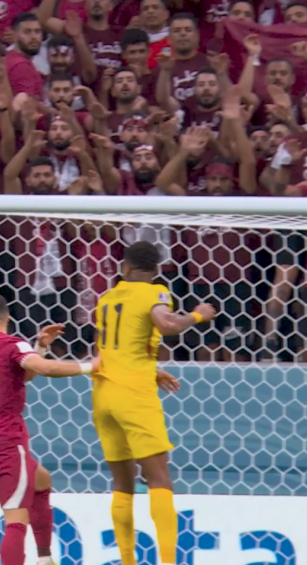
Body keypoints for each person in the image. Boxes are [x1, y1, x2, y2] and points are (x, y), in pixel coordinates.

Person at [93, 240, 216, 565]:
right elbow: (167, 324)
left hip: (104, 394)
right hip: (134, 394)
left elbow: (108, 349)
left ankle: (128, 561)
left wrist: (152, 368)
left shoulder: (106, 298)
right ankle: (168, 561)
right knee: (159, 477)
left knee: (122, 483)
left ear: (125, 268)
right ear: (155, 271)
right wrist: (197, 315)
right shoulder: (155, 293)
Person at [0, 293, 100, 565]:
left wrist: (39, 346)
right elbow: (43, 368)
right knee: (15, 519)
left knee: (41, 480)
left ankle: (45, 557)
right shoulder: (12, 345)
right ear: (9, 318)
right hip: (4, 441)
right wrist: (90, 366)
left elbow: (24, 374)